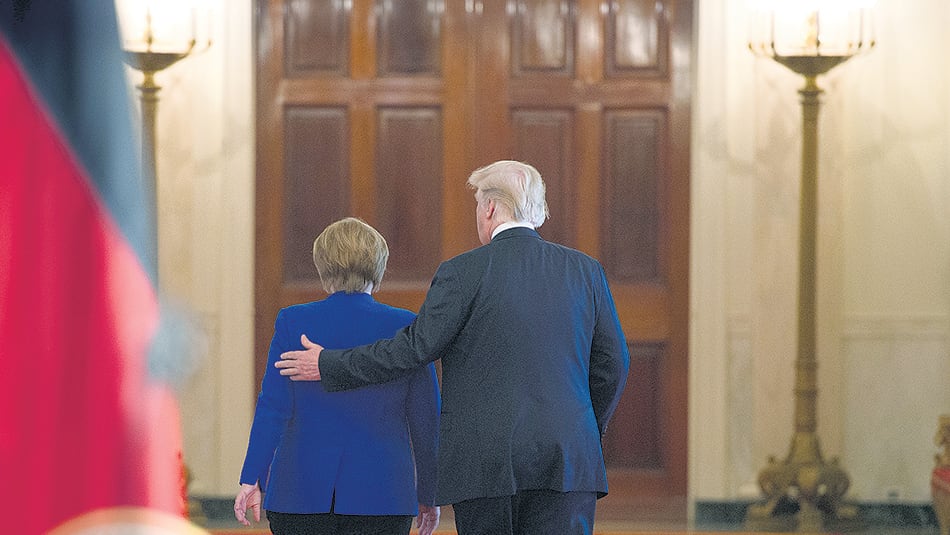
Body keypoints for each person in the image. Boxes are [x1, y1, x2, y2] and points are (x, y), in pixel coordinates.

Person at [276, 160, 631, 535]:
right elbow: (614, 363)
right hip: (569, 457)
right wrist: (586, 425)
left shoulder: (462, 272)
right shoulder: (585, 271)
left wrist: (329, 364)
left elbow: (413, 349)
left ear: (490, 208)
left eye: (478, 204)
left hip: (484, 464)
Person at [234, 217, 441, 535]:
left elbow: (273, 409)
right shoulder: (406, 327)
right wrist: (429, 493)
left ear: (322, 266)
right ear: (380, 267)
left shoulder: (294, 322)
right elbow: (427, 421)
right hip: (382, 493)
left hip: (299, 492)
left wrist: (252, 477)